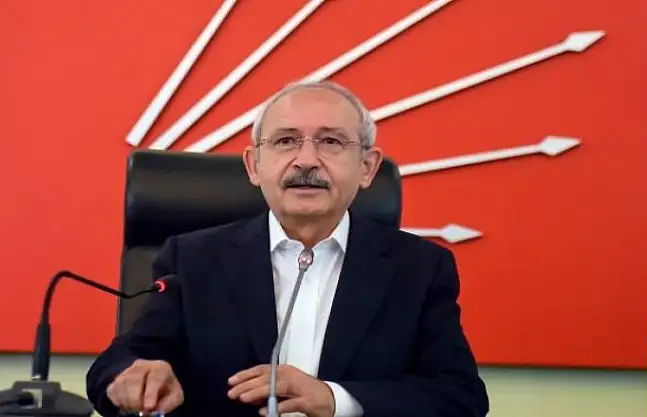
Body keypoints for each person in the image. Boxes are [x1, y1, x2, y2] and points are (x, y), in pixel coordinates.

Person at [86, 81, 489, 417]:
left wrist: (334, 400)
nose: (306, 160)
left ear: (367, 168)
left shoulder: (419, 267)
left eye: (331, 141)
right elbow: (118, 362)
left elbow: (461, 397)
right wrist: (134, 377)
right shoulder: (193, 259)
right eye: (285, 141)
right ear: (254, 165)